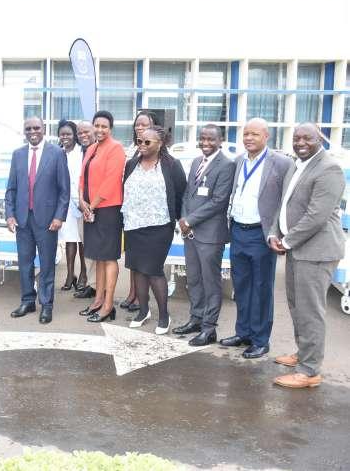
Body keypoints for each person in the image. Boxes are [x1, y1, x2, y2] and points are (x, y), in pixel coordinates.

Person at [268, 123, 345, 389]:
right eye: (297, 138)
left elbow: (316, 216)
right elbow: (284, 205)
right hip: (297, 248)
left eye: (307, 138)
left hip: (317, 251)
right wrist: (274, 233)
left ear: (319, 139)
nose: (300, 143)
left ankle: (309, 370)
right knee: (296, 305)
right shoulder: (296, 165)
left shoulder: (329, 169)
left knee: (310, 310)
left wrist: (287, 241)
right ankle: (303, 353)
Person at [221, 118, 292, 359]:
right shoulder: (239, 160)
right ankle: (243, 333)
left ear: (266, 136)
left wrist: (276, 232)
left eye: (255, 134)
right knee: (241, 286)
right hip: (238, 231)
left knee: (261, 288)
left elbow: (285, 202)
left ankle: (261, 340)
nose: (249, 138)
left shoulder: (282, 163)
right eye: (246, 134)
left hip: (262, 234)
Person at [173, 124, 235, 345]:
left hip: (210, 235)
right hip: (190, 233)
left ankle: (209, 328)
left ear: (220, 141)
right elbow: (187, 194)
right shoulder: (196, 162)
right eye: (203, 138)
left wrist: (189, 220)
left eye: (211, 139)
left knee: (210, 282)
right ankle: (196, 319)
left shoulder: (227, 165)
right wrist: (183, 219)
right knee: (194, 279)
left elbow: (219, 201)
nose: (206, 143)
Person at [5, 116, 70, 325]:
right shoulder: (18, 154)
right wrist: (10, 214)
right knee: (24, 263)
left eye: (36, 128)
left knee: (47, 264)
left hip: (48, 220)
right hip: (23, 220)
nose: (32, 132)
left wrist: (59, 216)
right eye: (28, 129)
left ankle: (46, 305)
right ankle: (27, 301)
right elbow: (11, 188)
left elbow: (64, 190)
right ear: (24, 131)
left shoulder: (57, 153)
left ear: (43, 129)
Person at [121, 127, 186, 333]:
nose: (142, 145)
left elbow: (181, 194)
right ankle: (143, 311)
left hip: (160, 227)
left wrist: (180, 220)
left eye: (147, 142)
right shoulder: (132, 164)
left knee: (154, 270)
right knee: (138, 269)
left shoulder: (171, 165)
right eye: (139, 141)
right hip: (133, 225)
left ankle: (164, 316)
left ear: (161, 144)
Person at [78, 111, 126, 323]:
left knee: (108, 258)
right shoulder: (91, 148)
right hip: (90, 208)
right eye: (96, 125)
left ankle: (108, 306)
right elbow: (82, 177)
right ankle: (97, 301)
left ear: (110, 129)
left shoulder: (116, 148)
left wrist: (91, 206)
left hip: (108, 210)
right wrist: (82, 200)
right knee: (97, 257)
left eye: (104, 126)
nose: (99, 130)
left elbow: (110, 181)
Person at [120, 110, 157, 312]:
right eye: (137, 124)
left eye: (144, 124)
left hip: (150, 219)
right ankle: (132, 293)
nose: (139, 127)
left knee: (145, 261)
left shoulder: (159, 152)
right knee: (132, 258)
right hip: (131, 216)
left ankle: (141, 298)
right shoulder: (133, 151)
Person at [56, 120, 88, 293]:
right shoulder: (58, 152)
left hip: (82, 201)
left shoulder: (83, 151)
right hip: (65, 202)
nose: (65, 137)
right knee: (69, 239)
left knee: (82, 240)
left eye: (68, 133)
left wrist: (83, 200)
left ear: (74, 135)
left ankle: (83, 273)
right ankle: (70, 275)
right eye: (62, 134)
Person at [73, 119, 96, 299]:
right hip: (80, 208)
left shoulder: (99, 151)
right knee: (87, 247)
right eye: (80, 133)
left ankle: (97, 287)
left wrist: (91, 205)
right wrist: (80, 203)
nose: (83, 135)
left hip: (99, 208)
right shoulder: (77, 153)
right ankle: (91, 284)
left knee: (98, 250)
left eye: (86, 131)